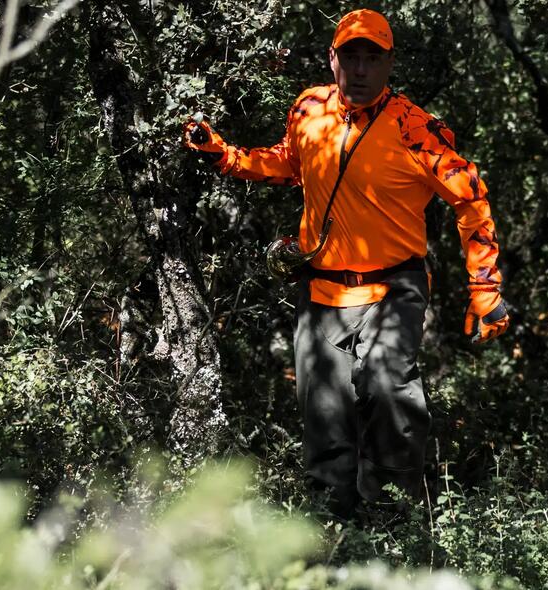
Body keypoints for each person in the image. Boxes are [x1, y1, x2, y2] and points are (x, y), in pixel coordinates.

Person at [182, 9, 510, 518]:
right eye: (350, 57)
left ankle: (395, 526)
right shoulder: (308, 108)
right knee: (325, 421)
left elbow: (472, 197)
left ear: (389, 64)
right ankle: (332, 537)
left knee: (386, 390)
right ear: (333, 59)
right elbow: (289, 162)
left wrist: (484, 288)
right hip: (321, 293)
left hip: (393, 288)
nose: (360, 70)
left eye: (371, 59)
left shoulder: (415, 127)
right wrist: (225, 155)